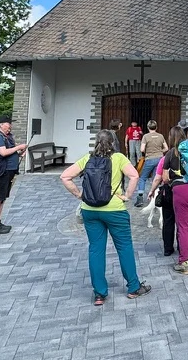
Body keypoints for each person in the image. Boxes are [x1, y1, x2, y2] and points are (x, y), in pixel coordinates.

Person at [60, 129, 151, 306]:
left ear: (96, 142)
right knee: (124, 247)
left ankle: (99, 293)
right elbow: (134, 175)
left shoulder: (87, 159)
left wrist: (79, 194)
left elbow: (65, 176)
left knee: (96, 249)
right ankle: (133, 287)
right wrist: (127, 196)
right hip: (114, 209)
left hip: (90, 209)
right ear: (113, 142)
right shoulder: (118, 158)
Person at [157, 124, 188, 274]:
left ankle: (183, 262)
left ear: (171, 137)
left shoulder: (171, 153)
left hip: (183, 191)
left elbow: (165, 178)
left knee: (183, 226)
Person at [0, 115, 27, 235]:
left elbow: (8, 153)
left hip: (7, 172)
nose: (10, 126)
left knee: (2, 198)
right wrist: (18, 147)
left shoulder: (6, 137)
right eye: (8, 123)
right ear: (1, 125)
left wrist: (18, 154)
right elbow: (3, 152)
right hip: (0, 172)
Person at [135, 120, 168, 207]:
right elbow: (166, 148)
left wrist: (148, 152)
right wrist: (160, 151)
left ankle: (140, 198)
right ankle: (155, 198)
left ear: (148, 127)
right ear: (156, 127)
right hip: (159, 159)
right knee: (156, 178)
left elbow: (142, 149)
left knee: (143, 178)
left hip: (149, 159)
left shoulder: (146, 136)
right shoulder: (161, 136)